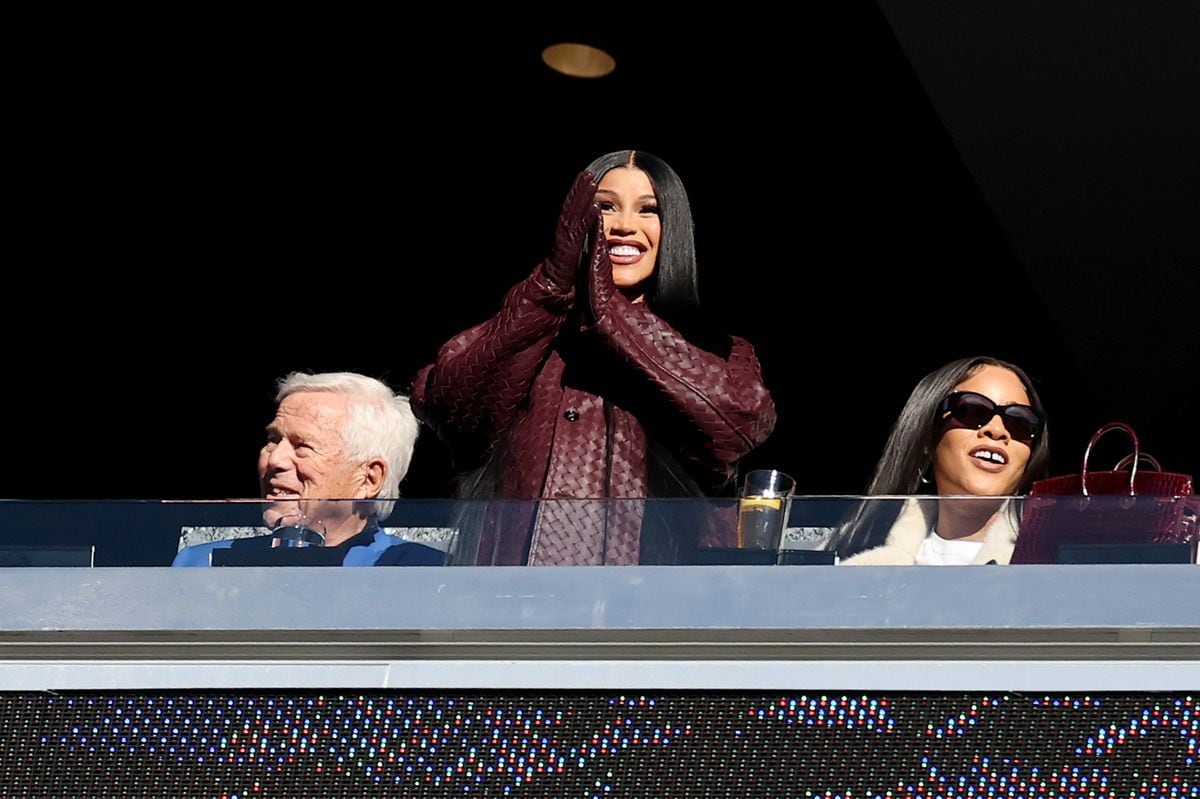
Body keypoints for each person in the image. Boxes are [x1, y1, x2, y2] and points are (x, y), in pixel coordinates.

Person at [410, 150, 777, 565]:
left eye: (648, 210)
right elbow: (445, 401)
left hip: (657, 602)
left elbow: (741, 421)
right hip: (513, 602)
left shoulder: (716, 349)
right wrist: (551, 284)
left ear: (673, 228)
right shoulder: (528, 328)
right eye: (604, 207)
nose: (623, 226)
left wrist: (611, 314)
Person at [172, 371, 444, 567]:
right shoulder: (200, 565)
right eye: (273, 440)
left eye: (303, 446)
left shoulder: (421, 573)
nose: (275, 460)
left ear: (369, 479)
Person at [833, 356, 1051, 565]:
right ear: (927, 434)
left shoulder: (1059, 566)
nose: (996, 430)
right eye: (973, 410)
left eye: (1020, 421)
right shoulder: (840, 563)